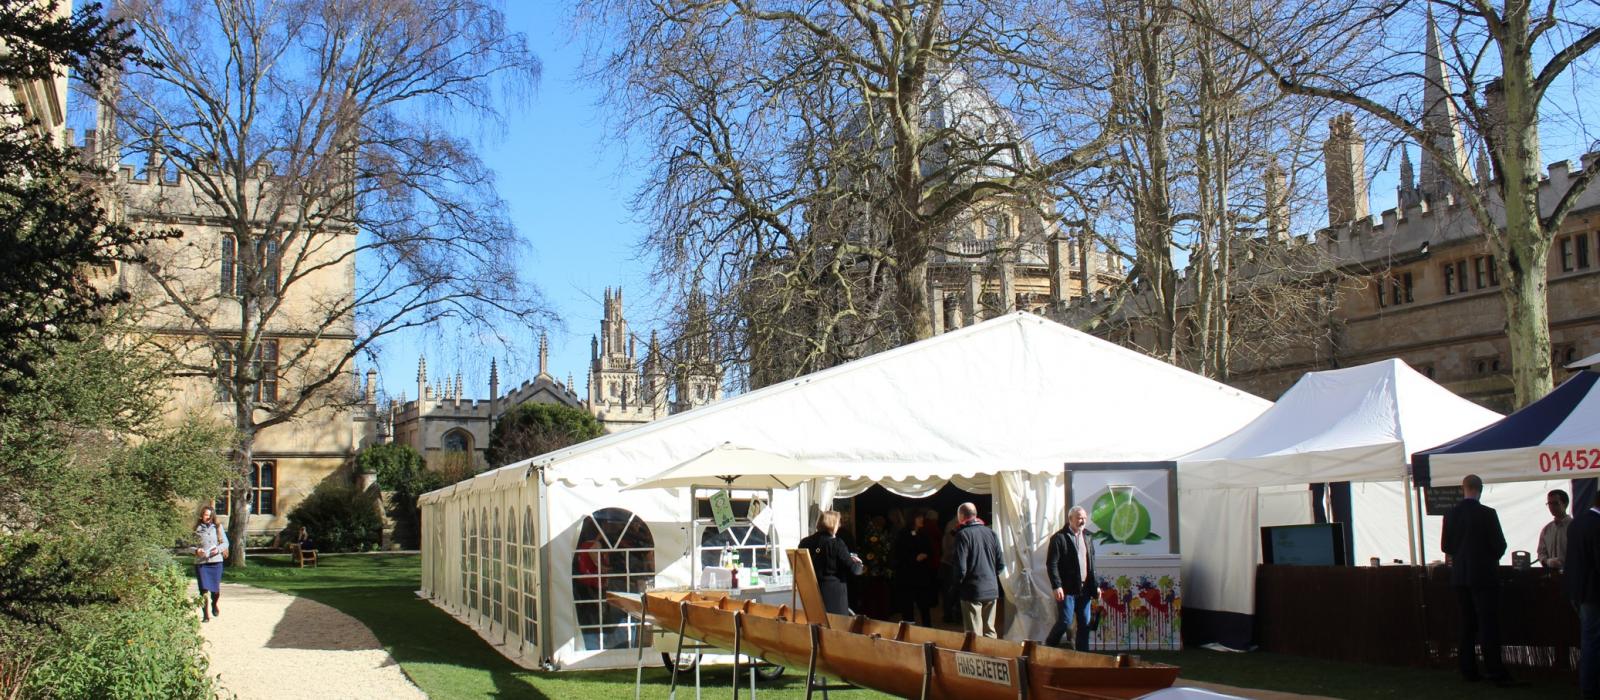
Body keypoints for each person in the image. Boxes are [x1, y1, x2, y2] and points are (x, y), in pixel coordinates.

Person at [1441, 474, 1511, 685]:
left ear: (1463, 488)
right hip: (1484, 575)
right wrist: (1488, 559)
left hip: (1460, 576)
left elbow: (1446, 546)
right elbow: (1500, 545)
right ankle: (1494, 670)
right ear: (1481, 489)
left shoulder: (1451, 514)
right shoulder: (1488, 514)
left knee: (1467, 624)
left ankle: (1468, 669)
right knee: (1488, 624)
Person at [1045, 506, 1098, 650]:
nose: (1082, 521)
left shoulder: (1087, 536)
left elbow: (1091, 563)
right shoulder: (1059, 538)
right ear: (1070, 519)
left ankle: (1083, 655)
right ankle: (1048, 645)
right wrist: (1057, 586)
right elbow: (1052, 564)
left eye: (1084, 518)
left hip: (1085, 587)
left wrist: (1095, 585)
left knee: (1085, 622)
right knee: (1065, 620)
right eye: (1079, 518)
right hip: (1067, 588)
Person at [950, 502, 1004, 637]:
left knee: (974, 635)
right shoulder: (991, 533)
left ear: (961, 516)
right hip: (992, 589)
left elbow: (961, 568)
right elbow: (1001, 564)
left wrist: (956, 586)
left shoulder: (963, 535)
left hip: (972, 591)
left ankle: (977, 658)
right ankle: (991, 657)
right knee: (990, 632)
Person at [1565, 491, 1600, 700]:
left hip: (1577, 590)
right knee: (1592, 641)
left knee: (1589, 639)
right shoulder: (1596, 525)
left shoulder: (1577, 523)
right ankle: (1590, 687)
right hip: (1593, 592)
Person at [799, 510, 859, 615]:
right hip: (833, 595)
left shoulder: (805, 542)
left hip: (811, 591)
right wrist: (858, 564)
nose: (839, 525)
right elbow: (854, 569)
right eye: (838, 523)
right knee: (836, 627)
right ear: (833, 524)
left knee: (816, 627)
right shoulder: (836, 544)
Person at [893, 512, 936, 625]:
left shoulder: (924, 534)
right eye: (919, 517)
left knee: (924, 605)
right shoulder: (902, 534)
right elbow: (898, 554)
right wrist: (914, 558)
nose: (922, 519)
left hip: (922, 576)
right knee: (907, 607)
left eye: (922, 517)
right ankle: (908, 631)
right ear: (912, 519)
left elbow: (931, 550)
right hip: (907, 576)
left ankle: (927, 629)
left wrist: (925, 555)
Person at [193, 505, 228, 622]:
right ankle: (206, 615)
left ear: (213, 516)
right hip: (201, 562)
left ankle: (214, 603)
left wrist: (217, 550)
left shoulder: (218, 528)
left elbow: (225, 544)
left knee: (215, 590)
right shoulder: (196, 528)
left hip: (216, 561)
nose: (207, 517)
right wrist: (196, 550)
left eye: (209, 515)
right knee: (203, 589)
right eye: (205, 515)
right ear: (201, 515)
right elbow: (187, 545)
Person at [1539, 489, 1572, 569]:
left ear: (1565, 504)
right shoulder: (1547, 529)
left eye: (1555, 503)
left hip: (1572, 573)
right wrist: (1547, 561)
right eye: (1549, 503)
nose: (1551, 507)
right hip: (1551, 575)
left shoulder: (1575, 527)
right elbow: (1541, 553)